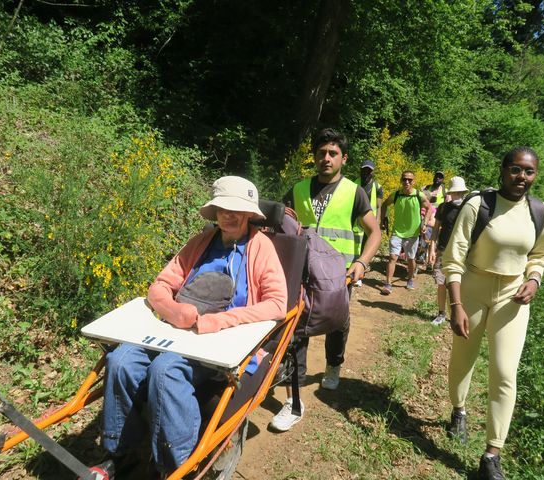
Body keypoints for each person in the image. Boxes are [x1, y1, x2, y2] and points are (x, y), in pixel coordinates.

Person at [97, 176, 287, 478]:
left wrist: (220, 321)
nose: (229, 214)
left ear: (250, 213)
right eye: (222, 207)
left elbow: (278, 303)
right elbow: (160, 286)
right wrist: (174, 311)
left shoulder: (260, 247)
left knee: (166, 370)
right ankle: (119, 454)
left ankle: (178, 468)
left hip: (223, 341)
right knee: (120, 361)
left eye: (236, 209)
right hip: (174, 330)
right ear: (214, 211)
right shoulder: (200, 242)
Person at [442, 147, 544, 480]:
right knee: (464, 358)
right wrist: (456, 304)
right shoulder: (477, 206)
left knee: (505, 373)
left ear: (535, 175)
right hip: (473, 288)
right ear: (503, 170)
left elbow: (540, 255)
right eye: (516, 170)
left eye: (529, 171)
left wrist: (534, 279)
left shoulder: (541, 212)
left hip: (513, 296)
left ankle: (492, 454)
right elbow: (453, 258)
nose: (522, 177)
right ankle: (459, 410)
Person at [271, 128, 381, 431]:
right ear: (314, 156)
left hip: (338, 276)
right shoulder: (298, 188)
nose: (326, 158)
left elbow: (376, 232)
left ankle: (334, 365)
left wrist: (361, 262)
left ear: (344, 159)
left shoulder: (354, 191)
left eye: (333, 153)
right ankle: (294, 400)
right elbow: (282, 224)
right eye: (321, 152)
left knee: (337, 324)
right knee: (296, 330)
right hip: (301, 274)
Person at [379, 171, 433, 293]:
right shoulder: (396, 195)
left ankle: (410, 279)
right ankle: (388, 284)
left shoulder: (419, 195)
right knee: (392, 257)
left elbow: (429, 208)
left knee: (411, 259)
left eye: (409, 180)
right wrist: (383, 219)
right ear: (401, 180)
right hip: (397, 232)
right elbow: (384, 205)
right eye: (404, 179)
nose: (406, 182)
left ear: (413, 182)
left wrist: (424, 223)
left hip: (413, 234)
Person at [428, 176, 469, 325]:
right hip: (443, 249)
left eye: (460, 192)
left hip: (460, 252)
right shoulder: (444, 208)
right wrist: (432, 249)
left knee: (458, 283)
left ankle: (458, 313)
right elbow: (435, 229)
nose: (458, 195)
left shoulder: (468, 208)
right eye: (455, 192)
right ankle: (441, 314)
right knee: (441, 283)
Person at [354, 159, 384, 286]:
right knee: (356, 246)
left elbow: (378, 206)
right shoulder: (354, 184)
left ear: (373, 172)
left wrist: (377, 222)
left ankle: (360, 274)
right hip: (355, 221)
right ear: (360, 170)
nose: (366, 172)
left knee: (366, 245)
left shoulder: (378, 187)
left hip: (369, 221)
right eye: (364, 170)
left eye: (369, 170)